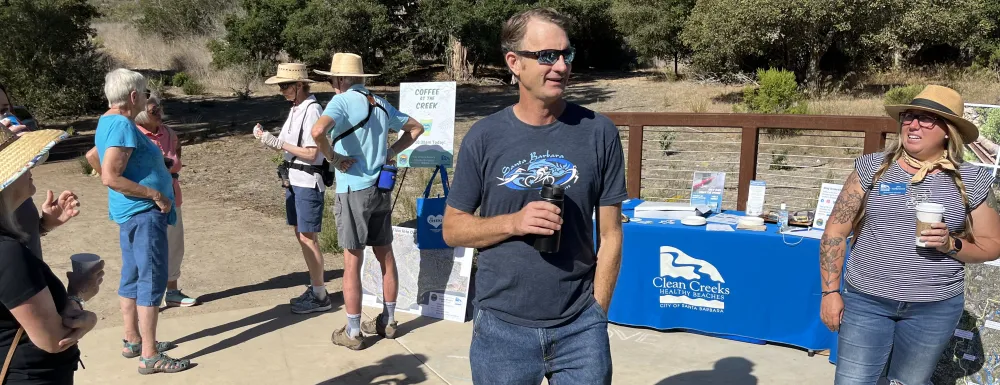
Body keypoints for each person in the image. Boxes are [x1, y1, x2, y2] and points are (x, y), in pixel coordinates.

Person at [441, 8, 626, 385]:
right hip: (501, 331)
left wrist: (597, 313)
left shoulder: (599, 133)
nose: (560, 66)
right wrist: (514, 222)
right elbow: (452, 230)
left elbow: (611, 235)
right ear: (514, 62)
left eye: (566, 55)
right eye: (546, 56)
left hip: (580, 330)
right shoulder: (485, 136)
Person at [820, 85, 1000, 385]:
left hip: (934, 308)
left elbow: (993, 245)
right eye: (909, 116)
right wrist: (830, 293)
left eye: (927, 119)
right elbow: (836, 230)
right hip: (867, 301)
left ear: (948, 131)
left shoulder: (972, 180)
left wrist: (951, 244)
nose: (913, 124)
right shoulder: (871, 168)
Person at [310, 53, 425, 350]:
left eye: (331, 79)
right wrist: (390, 152)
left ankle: (352, 332)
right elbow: (415, 128)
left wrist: (334, 158)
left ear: (339, 79)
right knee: (385, 255)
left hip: (353, 191)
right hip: (380, 188)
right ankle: (388, 320)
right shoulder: (379, 102)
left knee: (352, 261)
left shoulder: (341, 101)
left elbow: (317, 132)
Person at [92, 68, 192, 374]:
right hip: (143, 214)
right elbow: (110, 175)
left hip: (130, 212)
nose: (147, 98)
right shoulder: (122, 124)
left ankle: (133, 339)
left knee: (133, 275)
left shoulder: (107, 121)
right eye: (145, 92)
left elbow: (92, 157)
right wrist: (155, 194)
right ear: (134, 96)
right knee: (151, 279)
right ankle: (149, 355)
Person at [0, 123, 106, 384]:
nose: (32, 167)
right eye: (25, 163)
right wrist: (82, 305)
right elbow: (53, 340)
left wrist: (44, 224)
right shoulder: (7, 253)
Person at [251, 63, 352, 314]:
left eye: (285, 85)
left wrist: (275, 142)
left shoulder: (312, 109)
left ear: (299, 85)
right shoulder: (297, 108)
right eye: (280, 86)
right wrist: (273, 141)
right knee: (302, 235)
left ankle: (319, 294)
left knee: (308, 237)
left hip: (307, 181)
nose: (282, 90)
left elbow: (311, 152)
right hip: (295, 180)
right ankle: (316, 289)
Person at [87, 95, 197, 308]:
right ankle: (145, 307)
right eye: (154, 110)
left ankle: (172, 291)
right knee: (145, 258)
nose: (159, 113)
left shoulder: (170, 134)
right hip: (145, 204)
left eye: (159, 109)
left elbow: (176, 160)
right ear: (141, 112)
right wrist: (118, 184)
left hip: (171, 196)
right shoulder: (130, 131)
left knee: (174, 245)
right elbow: (93, 156)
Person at [0, 83, 82, 261]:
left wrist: (45, 225)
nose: (5, 120)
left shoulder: (15, 185)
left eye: (5, 110)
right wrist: (79, 290)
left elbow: (15, 235)